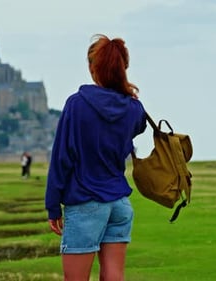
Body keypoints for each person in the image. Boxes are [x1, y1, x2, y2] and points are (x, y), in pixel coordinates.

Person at [45, 34, 147, 281]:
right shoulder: (134, 108)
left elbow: (62, 157)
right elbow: (138, 126)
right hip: (119, 203)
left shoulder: (76, 105)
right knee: (114, 276)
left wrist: (52, 204)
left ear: (93, 68)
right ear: (123, 68)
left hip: (85, 201)